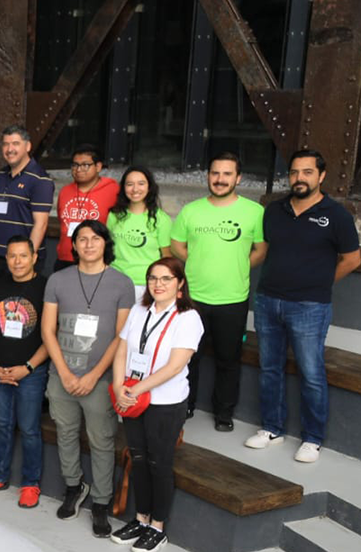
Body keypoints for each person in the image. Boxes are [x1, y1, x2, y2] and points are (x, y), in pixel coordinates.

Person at [246, 149, 360, 462]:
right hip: (268, 301)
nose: (299, 178)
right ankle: (272, 428)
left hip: (310, 307)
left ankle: (312, 438)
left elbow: (352, 259)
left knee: (311, 373)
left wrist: (321, 282)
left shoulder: (336, 215)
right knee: (270, 368)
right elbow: (264, 249)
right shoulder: (274, 210)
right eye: (295, 172)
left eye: (307, 172)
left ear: (321, 176)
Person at [41, 220, 135, 536]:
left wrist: (94, 376)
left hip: (101, 378)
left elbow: (121, 336)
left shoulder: (122, 283)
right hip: (62, 375)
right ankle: (73, 486)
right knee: (66, 433)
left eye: (95, 238)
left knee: (101, 440)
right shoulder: (58, 279)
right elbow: (48, 330)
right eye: (82, 239)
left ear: (105, 243)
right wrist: (65, 373)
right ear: (74, 245)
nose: (89, 244)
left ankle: (101, 502)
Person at [109, 256, 204, 552]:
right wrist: (119, 386)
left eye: (166, 279)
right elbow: (122, 349)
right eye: (153, 278)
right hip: (132, 398)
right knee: (137, 459)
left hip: (165, 403)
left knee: (158, 463)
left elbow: (175, 366)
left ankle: (157, 528)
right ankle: (141, 519)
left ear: (180, 283)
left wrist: (134, 389)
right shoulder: (139, 310)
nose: (158, 284)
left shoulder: (188, 318)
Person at [169, 152, 267, 430]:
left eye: (227, 174)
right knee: (188, 357)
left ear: (238, 178)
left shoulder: (254, 212)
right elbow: (176, 245)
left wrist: (237, 266)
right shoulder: (191, 210)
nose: (220, 179)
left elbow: (261, 250)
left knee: (228, 360)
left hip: (233, 299)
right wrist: (197, 262)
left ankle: (224, 413)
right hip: (193, 298)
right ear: (208, 176)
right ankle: (185, 404)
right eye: (215, 173)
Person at [0, 235, 50, 507]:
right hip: (0, 371)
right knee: (2, 425)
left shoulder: (45, 287)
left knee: (29, 428)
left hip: (31, 372)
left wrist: (27, 368)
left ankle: (30, 483)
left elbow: (50, 335)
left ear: (34, 258)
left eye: (23, 256)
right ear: (6, 259)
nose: (17, 262)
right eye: (12, 256)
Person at [0, 125, 54, 278]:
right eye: (5, 144)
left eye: (15, 144)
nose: (9, 149)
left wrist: (27, 258)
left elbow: (41, 224)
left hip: (22, 261)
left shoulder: (40, 179)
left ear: (28, 146)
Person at [107, 166, 173, 300]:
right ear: (123, 188)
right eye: (130, 184)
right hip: (116, 280)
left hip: (146, 284)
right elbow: (107, 249)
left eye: (141, 183)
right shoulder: (114, 215)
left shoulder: (162, 219)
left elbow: (166, 257)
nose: (135, 189)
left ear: (149, 187)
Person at [54, 144, 118, 271]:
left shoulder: (113, 190)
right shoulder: (65, 191)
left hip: (96, 260)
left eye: (85, 165)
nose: (79, 169)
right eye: (75, 165)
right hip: (65, 258)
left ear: (98, 166)